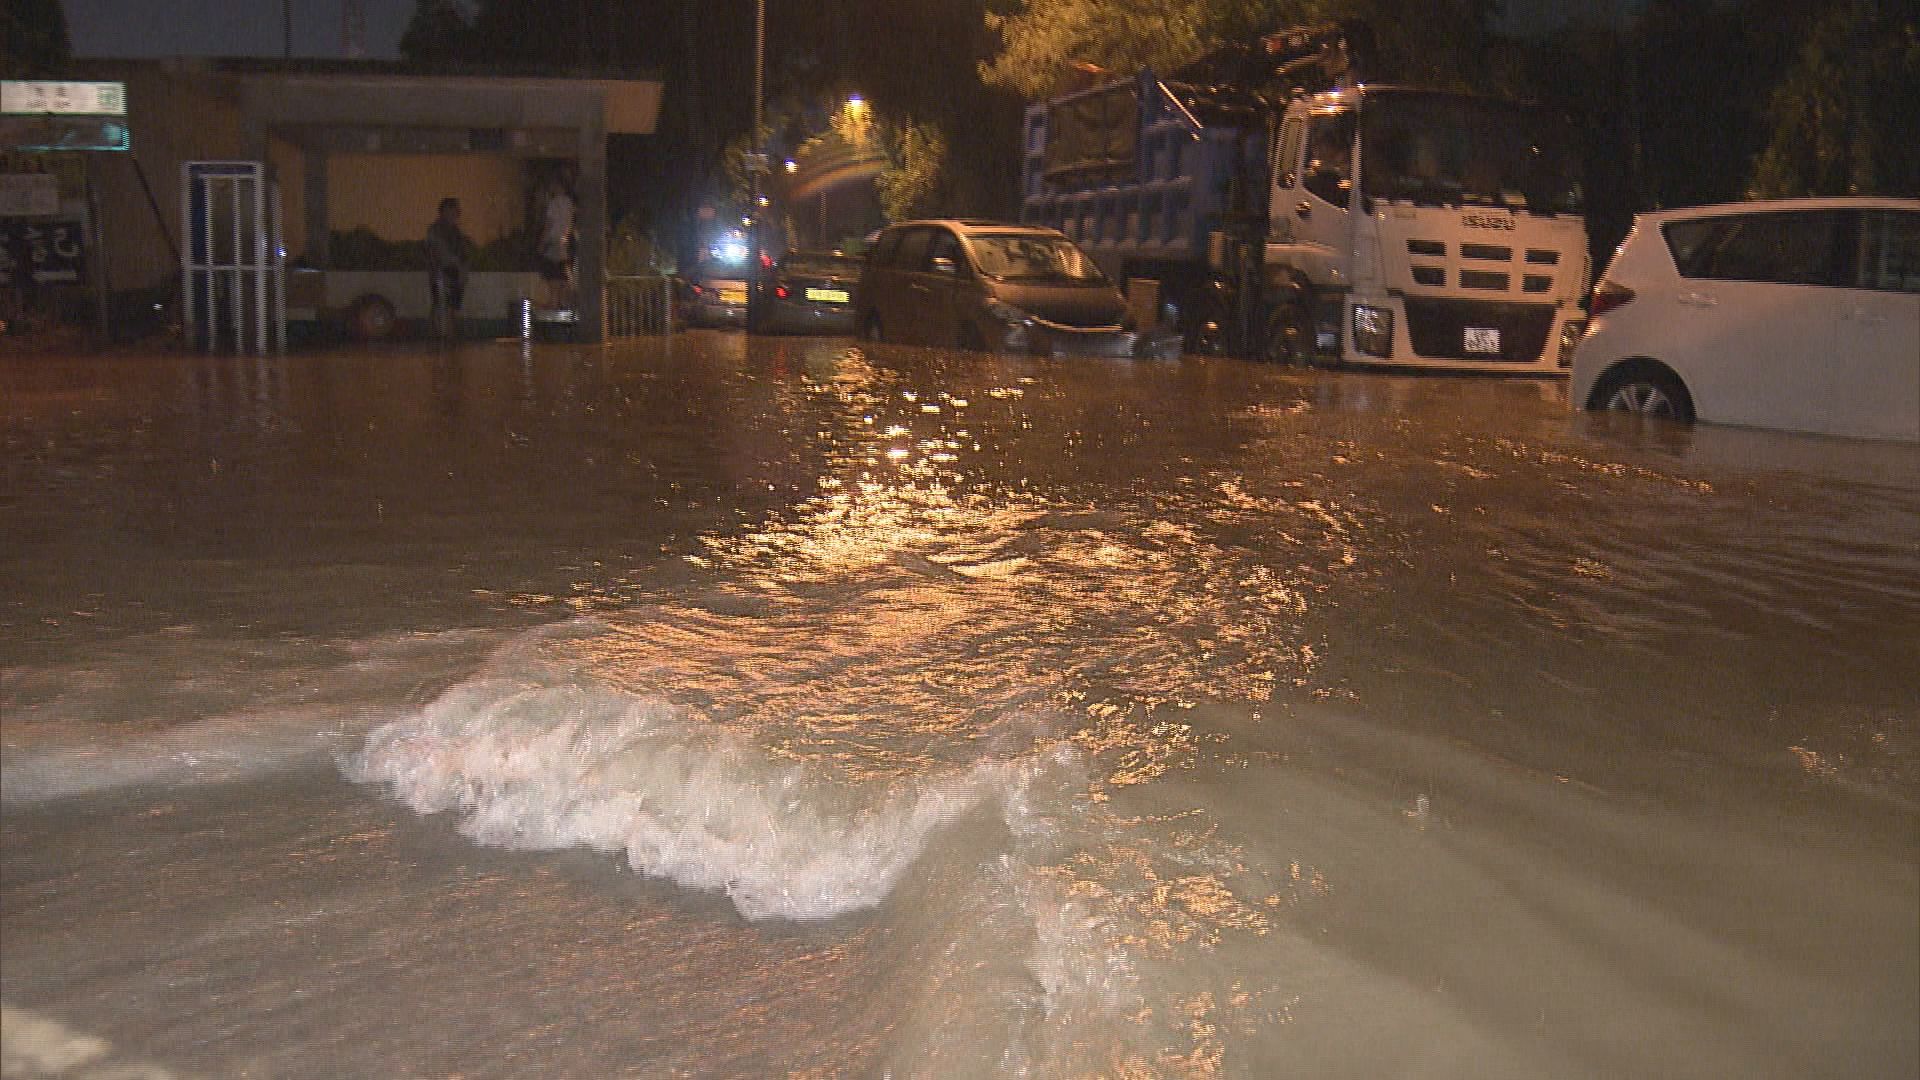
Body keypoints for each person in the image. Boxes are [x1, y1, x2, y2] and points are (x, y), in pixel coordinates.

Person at [424, 196, 471, 341]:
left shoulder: (455, 232)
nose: (455, 214)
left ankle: (448, 334)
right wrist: (458, 265)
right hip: (442, 271)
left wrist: (463, 270)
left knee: (452, 305)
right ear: (444, 211)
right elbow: (440, 252)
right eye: (452, 210)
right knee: (441, 303)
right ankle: (440, 334)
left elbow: (463, 253)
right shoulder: (436, 230)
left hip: (453, 272)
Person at [538, 177, 576, 311]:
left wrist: (542, 242)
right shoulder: (569, 203)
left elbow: (549, 223)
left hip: (553, 240)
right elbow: (569, 223)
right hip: (563, 241)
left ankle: (554, 302)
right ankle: (560, 302)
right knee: (561, 272)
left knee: (552, 273)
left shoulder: (554, 203)